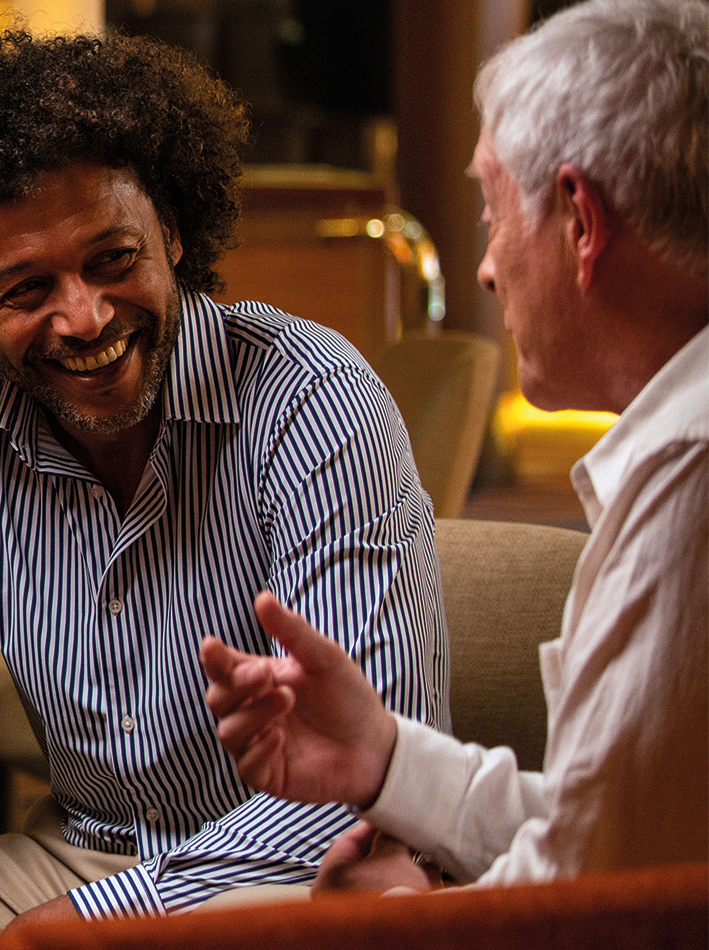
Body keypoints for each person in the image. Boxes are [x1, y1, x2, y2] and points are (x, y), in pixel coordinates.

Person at [0, 30, 449, 931]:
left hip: (307, 870)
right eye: (25, 289)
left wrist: (95, 921)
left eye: (112, 261)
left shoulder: (311, 398)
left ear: (169, 230)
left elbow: (357, 785)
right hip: (78, 856)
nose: (84, 317)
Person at [201, 0, 708, 894]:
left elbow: (590, 907)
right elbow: (618, 823)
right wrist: (384, 756)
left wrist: (418, 914)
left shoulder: (687, 476)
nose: (484, 265)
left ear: (580, 222)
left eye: (491, 209)